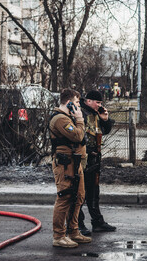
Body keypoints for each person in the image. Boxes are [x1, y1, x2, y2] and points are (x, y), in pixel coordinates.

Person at [50, 88, 92, 248]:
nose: (78, 107)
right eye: (76, 103)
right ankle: (59, 235)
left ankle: (73, 231)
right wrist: (80, 119)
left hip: (75, 163)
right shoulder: (60, 119)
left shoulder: (69, 117)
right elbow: (77, 135)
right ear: (68, 103)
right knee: (65, 197)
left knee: (78, 196)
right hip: (64, 164)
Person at [77, 90, 116, 234]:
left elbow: (103, 131)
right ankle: (78, 224)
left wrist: (105, 119)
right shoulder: (81, 114)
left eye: (100, 103)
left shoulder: (95, 115)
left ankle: (97, 221)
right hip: (83, 159)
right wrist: (87, 151)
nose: (99, 105)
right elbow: (77, 136)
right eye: (97, 102)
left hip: (94, 159)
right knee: (79, 193)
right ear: (88, 101)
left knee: (94, 192)